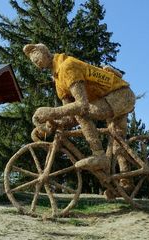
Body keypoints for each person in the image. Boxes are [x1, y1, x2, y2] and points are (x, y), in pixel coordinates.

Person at [23, 43, 136, 193]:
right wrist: (51, 125)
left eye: (35, 55)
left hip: (120, 95)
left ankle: (99, 156)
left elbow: (81, 106)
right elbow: (70, 118)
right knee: (117, 140)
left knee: (82, 112)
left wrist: (51, 112)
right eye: (32, 60)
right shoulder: (58, 82)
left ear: (44, 52)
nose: (35, 61)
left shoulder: (67, 66)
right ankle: (125, 184)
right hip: (113, 97)